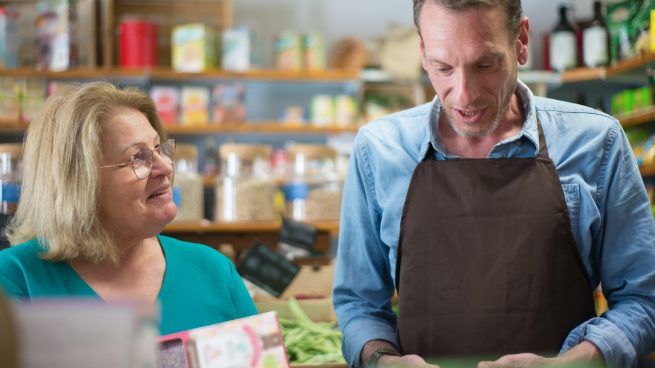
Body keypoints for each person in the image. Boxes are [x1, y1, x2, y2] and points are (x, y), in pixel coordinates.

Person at [333, 1, 655, 367]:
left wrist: (574, 363)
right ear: (423, 52)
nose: (464, 94)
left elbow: (644, 300)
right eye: (443, 67)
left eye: (485, 65)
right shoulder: (379, 150)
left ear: (521, 41)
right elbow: (359, 305)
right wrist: (382, 360)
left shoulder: (597, 143)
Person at [0, 82, 257, 335]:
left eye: (159, 148)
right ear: (78, 182)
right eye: (138, 157)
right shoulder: (14, 277)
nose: (166, 166)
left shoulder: (212, 270)